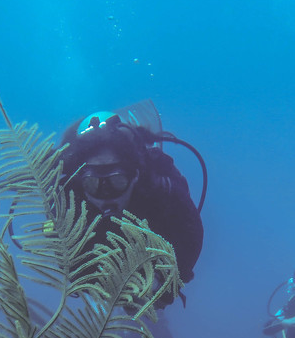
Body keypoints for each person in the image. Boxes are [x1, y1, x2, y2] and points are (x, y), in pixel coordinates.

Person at [57, 101, 206, 307]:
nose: (105, 195)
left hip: (151, 256)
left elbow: (190, 235)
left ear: (135, 176)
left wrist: (166, 283)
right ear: (81, 183)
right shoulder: (70, 197)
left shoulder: (160, 190)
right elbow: (66, 254)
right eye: (93, 184)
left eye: (117, 181)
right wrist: (102, 288)